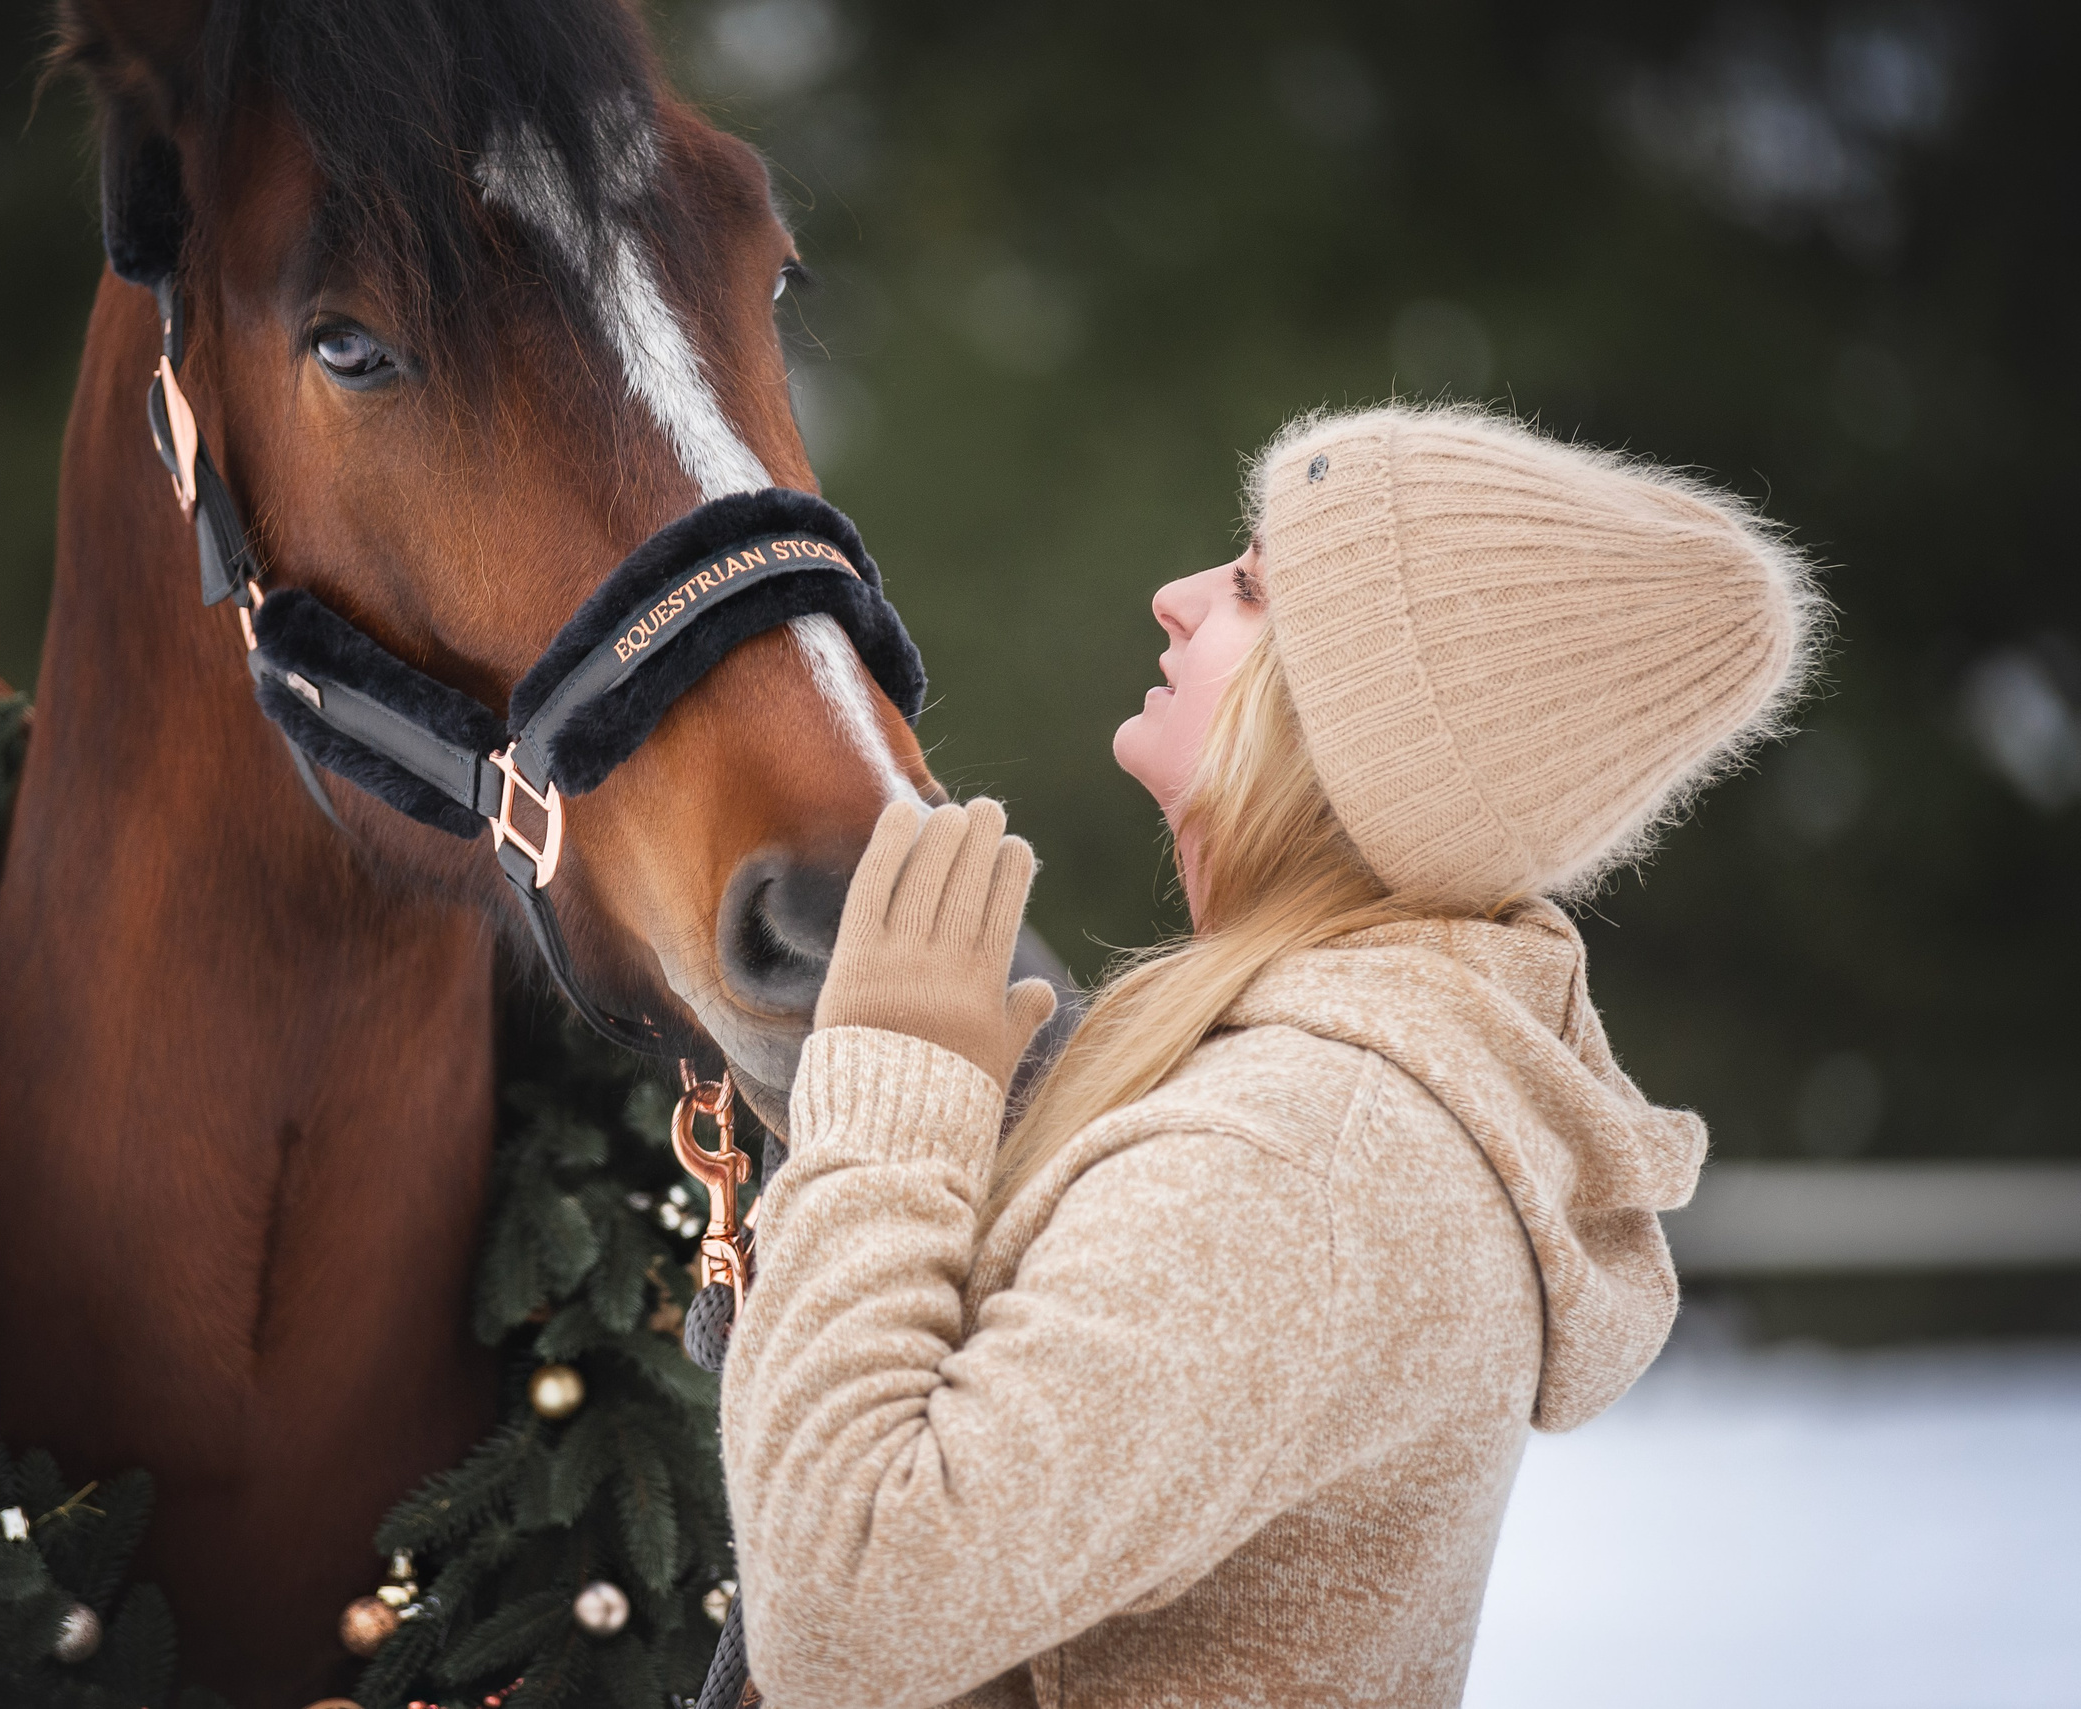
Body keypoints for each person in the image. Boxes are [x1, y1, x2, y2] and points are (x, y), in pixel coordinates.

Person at [718, 404, 1819, 1709]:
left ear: (1361, 723)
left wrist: (885, 1116)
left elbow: (853, 1615)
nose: (1175, 599)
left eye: (1249, 588)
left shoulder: (1305, 1159)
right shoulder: (1348, 1102)